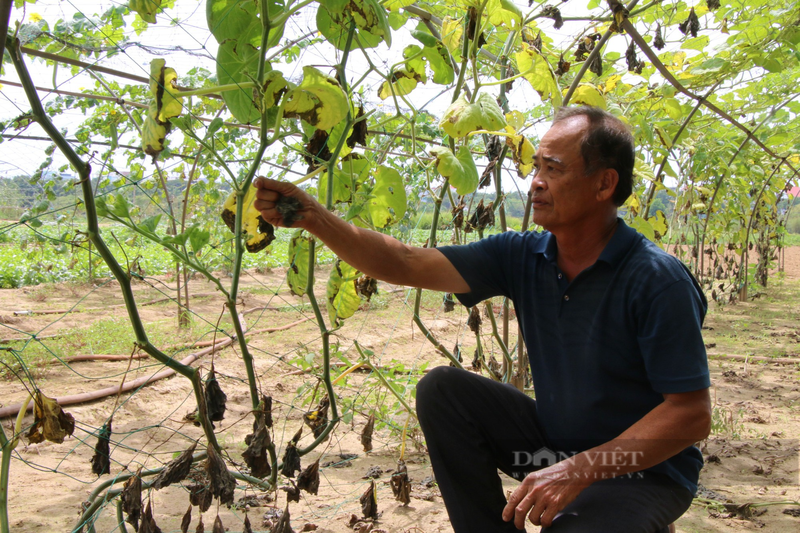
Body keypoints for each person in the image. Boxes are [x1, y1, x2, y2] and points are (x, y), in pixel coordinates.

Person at [254, 106, 711, 533]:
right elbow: (408, 262)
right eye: (535, 168)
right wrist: (315, 217)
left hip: (640, 469)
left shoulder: (655, 280)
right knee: (444, 391)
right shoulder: (523, 255)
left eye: (553, 169)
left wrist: (579, 470)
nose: (536, 182)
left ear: (604, 184)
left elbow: (691, 415)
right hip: (554, 448)